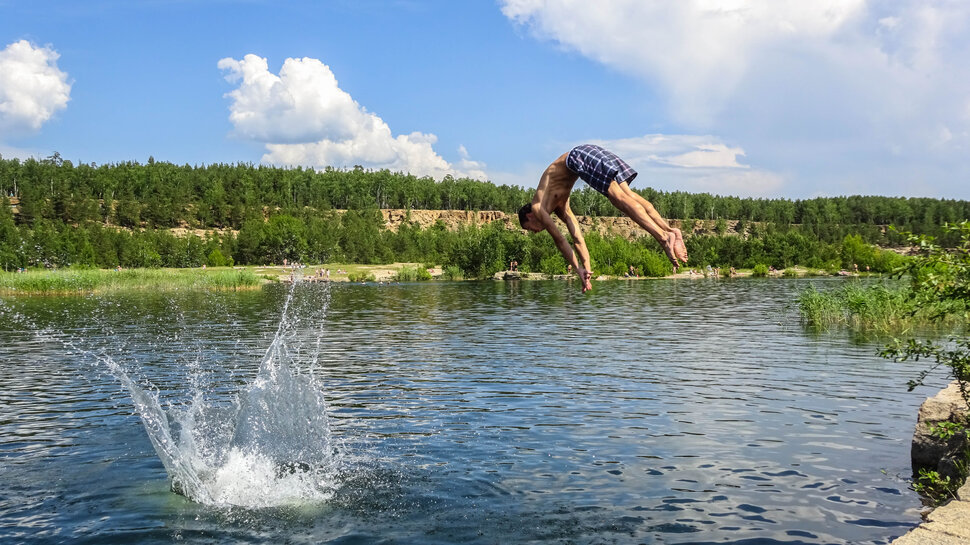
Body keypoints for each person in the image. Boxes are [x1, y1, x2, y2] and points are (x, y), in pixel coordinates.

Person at [517, 144, 688, 292]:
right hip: (590, 153)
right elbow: (577, 239)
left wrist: (577, 269)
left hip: (579, 157)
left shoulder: (538, 207)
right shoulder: (560, 206)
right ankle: (670, 230)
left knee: (618, 199)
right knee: (628, 196)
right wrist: (587, 271)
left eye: (529, 228)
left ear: (529, 216)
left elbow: (561, 241)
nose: (535, 232)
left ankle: (663, 238)